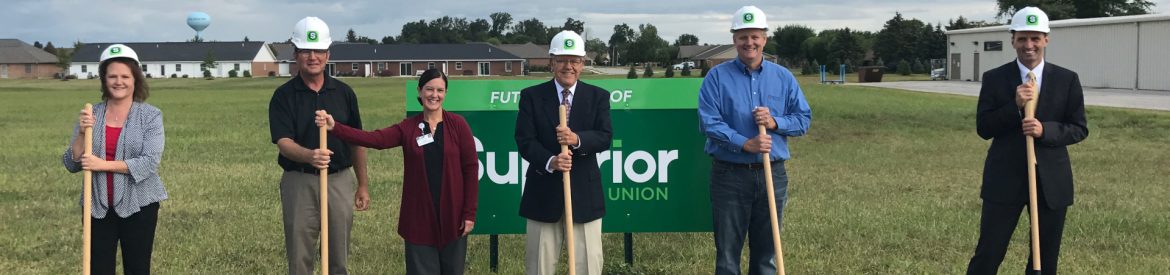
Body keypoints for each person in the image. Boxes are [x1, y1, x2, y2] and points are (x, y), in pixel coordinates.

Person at [315, 69, 479, 275]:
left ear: (445, 93)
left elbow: (471, 171)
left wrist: (469, 214)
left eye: (440, 90)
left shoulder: (459, 126)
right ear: (419, 92)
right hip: (419, 220)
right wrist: (335, 127)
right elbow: (374, 139)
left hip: (452, 218)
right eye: (429, 89)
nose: (434, 95)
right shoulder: (409, 128)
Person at [967, 7, 1088, 275]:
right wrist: (1014, 106)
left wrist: (1045, 130)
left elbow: (1078, 128)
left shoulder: (1067, 80)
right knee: (989, 253)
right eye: (1022, 38)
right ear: (1012, 40)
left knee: (1044, 261)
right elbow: (984, 127)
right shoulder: (995, 78)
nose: (1029, 45)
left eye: (1035, 38)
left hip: (1051, 183)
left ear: (1046, 39)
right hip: (1004, 180)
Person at [697, 6, 812, 275]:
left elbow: (803, 119)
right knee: (727, 256)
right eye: (743, 36)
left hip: (773, 174)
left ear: (765, 39)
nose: (749, 42)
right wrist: (744, 143)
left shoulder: (783, 77)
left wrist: (775, 123)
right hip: (730, 175)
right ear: (734, 40)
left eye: (755, 36)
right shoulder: (716, 77)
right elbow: (709, 122)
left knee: (766, 256)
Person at [268, 16, 369, 275]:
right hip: (299, 181)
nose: (312, 57)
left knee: (338, 258)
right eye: (306, 51)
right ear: (296, 54)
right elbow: (284, 142)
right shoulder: (283, 96)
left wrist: (363, 185)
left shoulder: (344, 93)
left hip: (339, 180)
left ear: (328, 54)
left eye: (319, 51)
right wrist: (310, 155)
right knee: (300, 258)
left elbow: (357, 141)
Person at [62, 44, 167, 275]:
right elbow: (72, 163)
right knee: (99, 268)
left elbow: (149, 162)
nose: (118, 82)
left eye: (125, 76)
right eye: (112, 76)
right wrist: (81, 133)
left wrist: (103, 165)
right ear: (104, 79)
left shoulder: (150, 116)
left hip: (140, 205)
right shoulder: (91, 114)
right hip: (96, 206)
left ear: (135, 79)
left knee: (137, 268)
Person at [515, 30, 612, 275]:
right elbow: (525, 140)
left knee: (587, 266)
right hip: (542, 195)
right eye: (562, 60)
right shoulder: (532, 97)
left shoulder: (597, 96)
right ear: (551, 62)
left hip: (584, 196)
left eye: (575, 60)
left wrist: (577, 139)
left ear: (582, 64)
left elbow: (605, 136)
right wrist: (551, 161)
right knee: (540, 267)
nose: (568, 66)